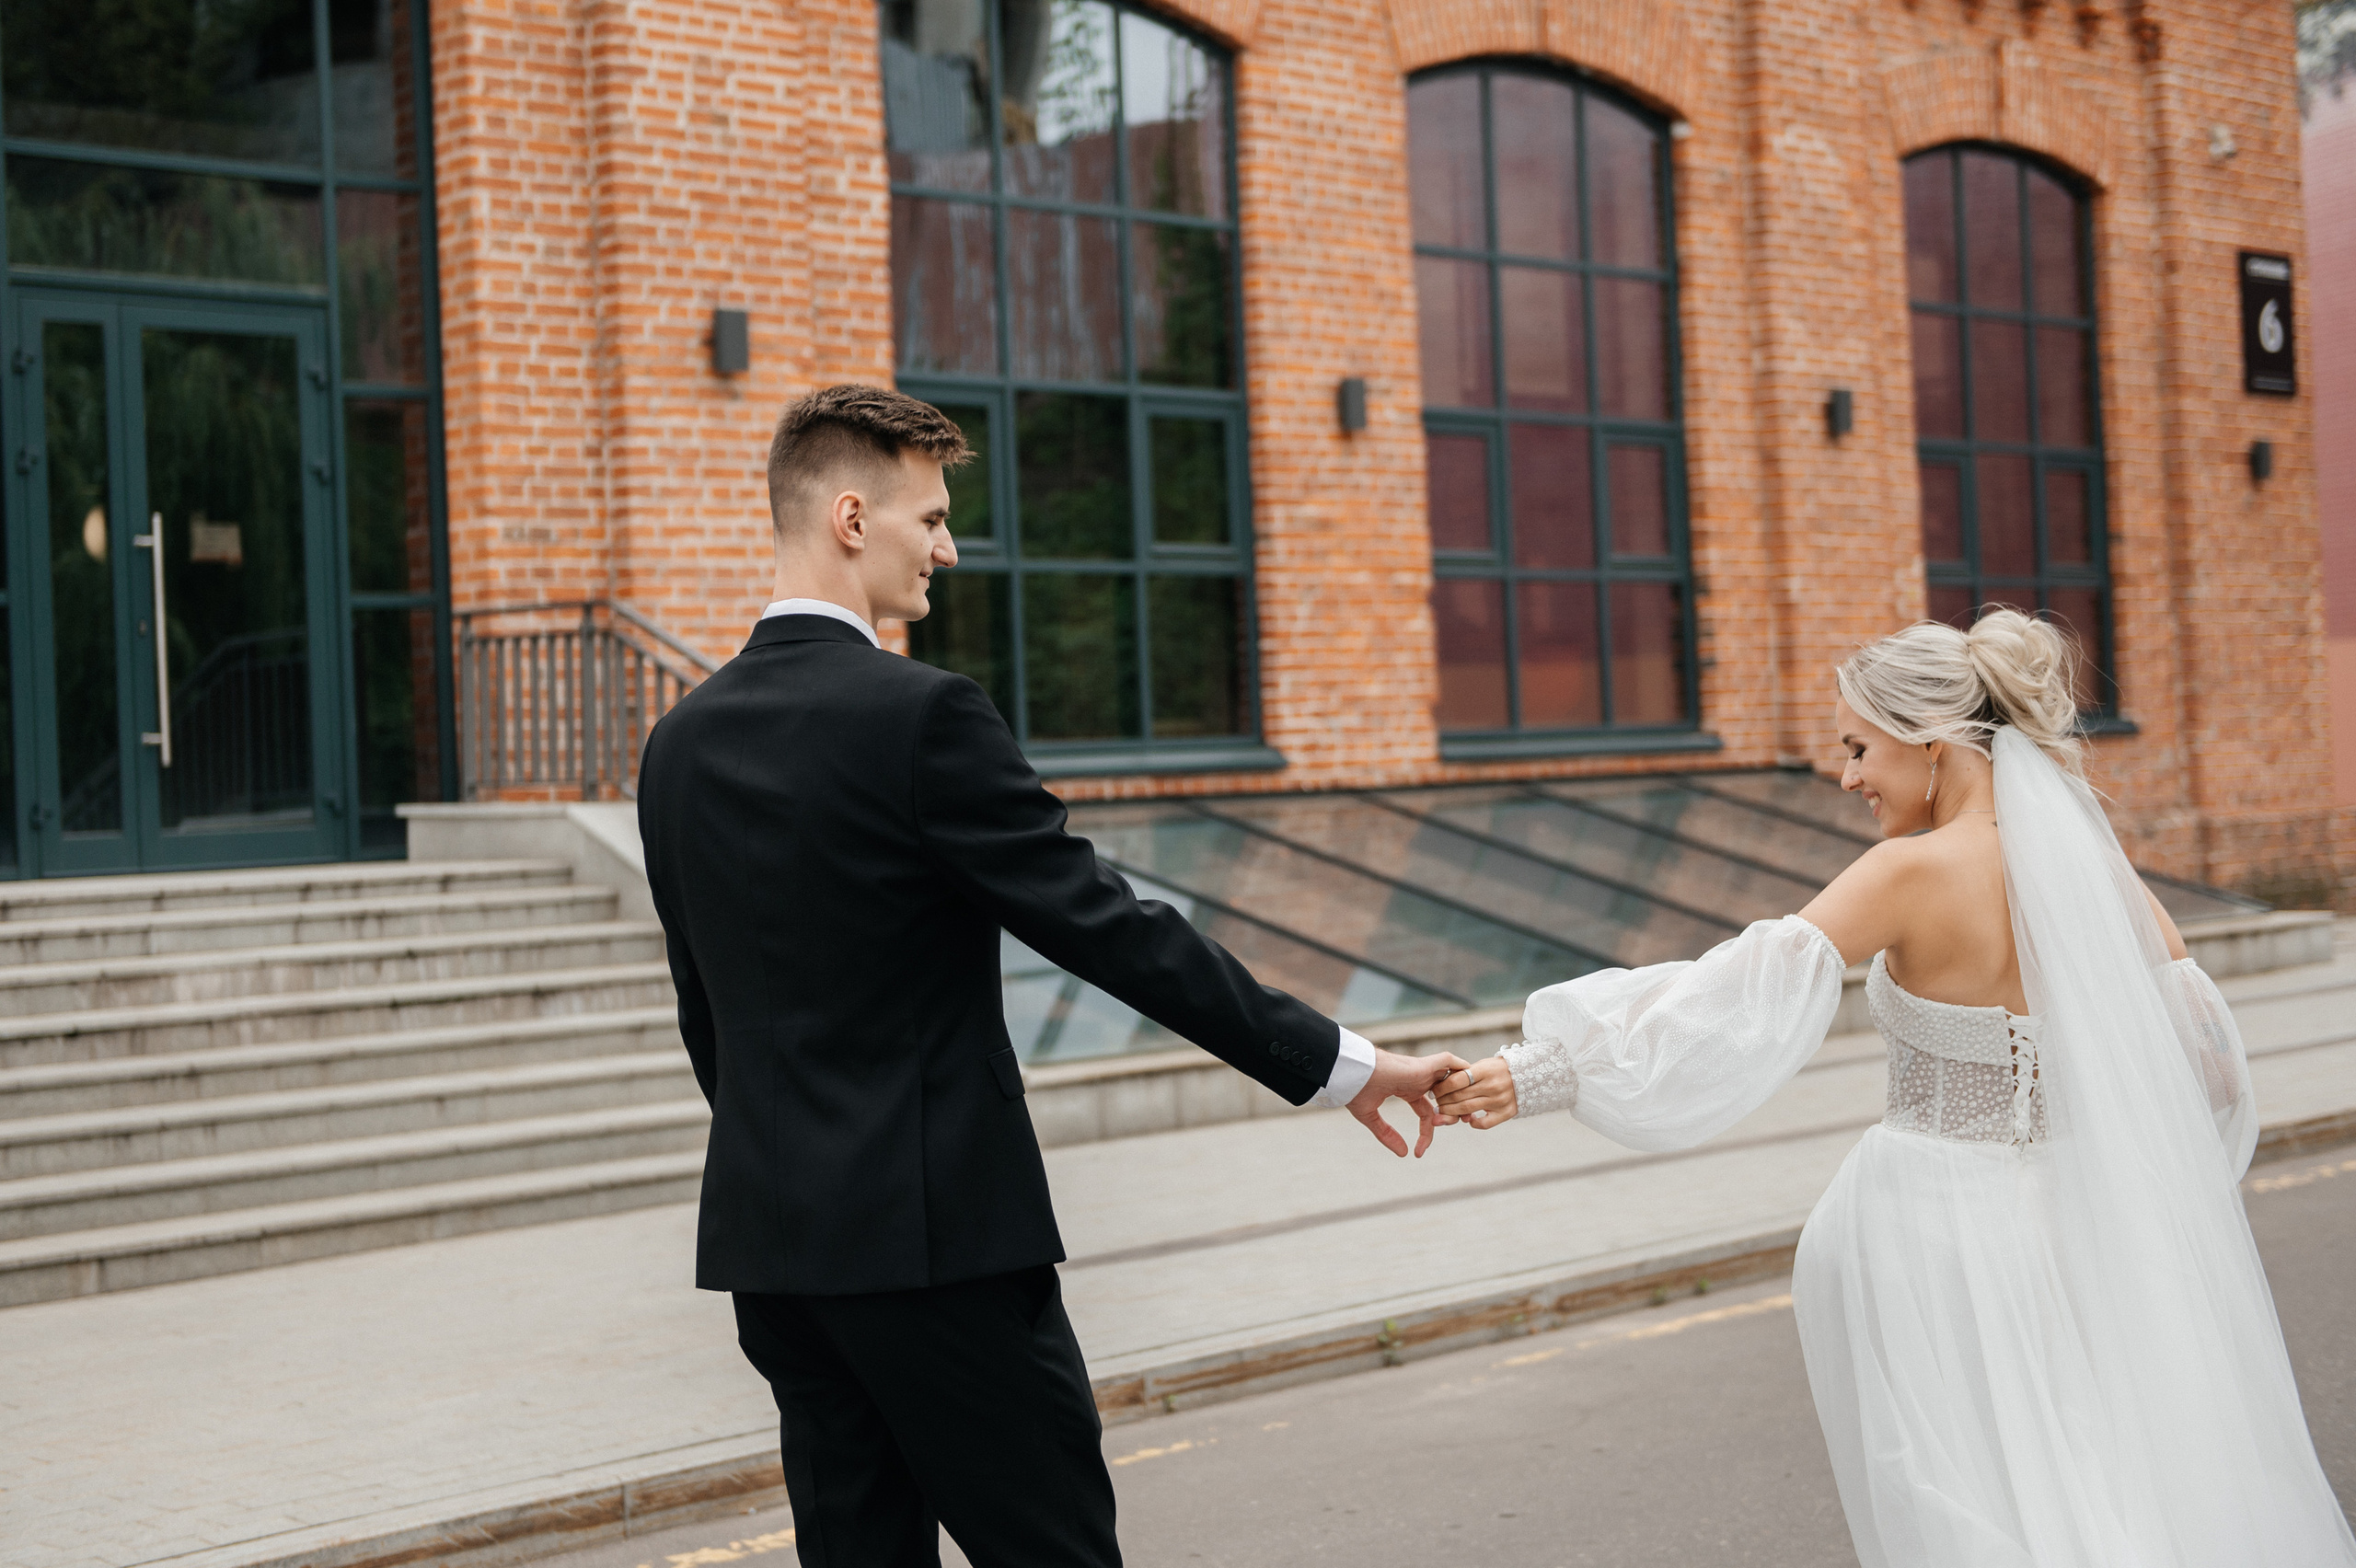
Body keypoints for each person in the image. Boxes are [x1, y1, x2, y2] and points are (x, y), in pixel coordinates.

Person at [636, 384, 1461, 1568]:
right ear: (854, 519)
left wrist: (795, 1161)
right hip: (939, 1250)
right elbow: (1110, 930)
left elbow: (705, 1011)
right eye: (930, 517)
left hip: (778, 1251)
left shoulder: (680, 742)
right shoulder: (922, 717)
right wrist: (1344, 1065)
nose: (949, 546)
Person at [1438, 609, 2356, 1566]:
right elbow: (2208, 1059)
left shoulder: (1908, 871)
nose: (1846, 777)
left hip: (1938, 1245)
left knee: (1967, 1494)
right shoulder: (2096, 872)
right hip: (2077, 1229)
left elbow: (1738, 995)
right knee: (2088, 1467)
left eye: (1857, 748)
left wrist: (1538, 1072)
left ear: (1929, 745)